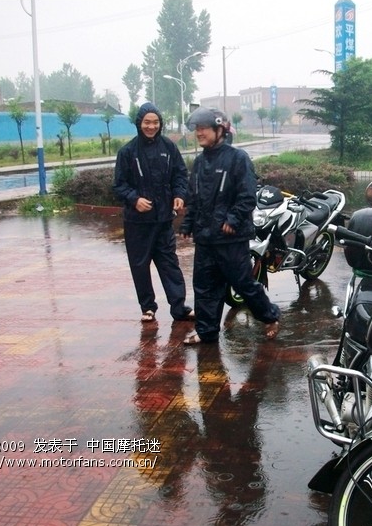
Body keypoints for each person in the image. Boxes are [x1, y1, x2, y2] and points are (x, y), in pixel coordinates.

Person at [179, 107, 280, 344]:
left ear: (220, 129)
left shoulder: (238, 159)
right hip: (205, 238)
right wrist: (188, 222)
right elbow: (193, 197)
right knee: (204, 287)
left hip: (231, 238)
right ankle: (206, 332)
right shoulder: (200, 162)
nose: (199, 133)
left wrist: (233, 220)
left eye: (203, 128)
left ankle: (270, 316)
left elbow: (247, 196)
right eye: (197, 129)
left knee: (243, 284)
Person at [113, 101, 194, 323]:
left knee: (170, 264)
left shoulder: (168, 148)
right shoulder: (127, 152)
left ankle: (179, 308)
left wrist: (179, 195)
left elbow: (180, 175)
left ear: (160, 124)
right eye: (147, 122)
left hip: (163, 220)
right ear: (139, 123)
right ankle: (147, 307)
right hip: (137, 222)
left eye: (155, 122)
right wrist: (134, 199)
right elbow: (119, 185)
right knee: (140, 266)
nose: (151, 126)